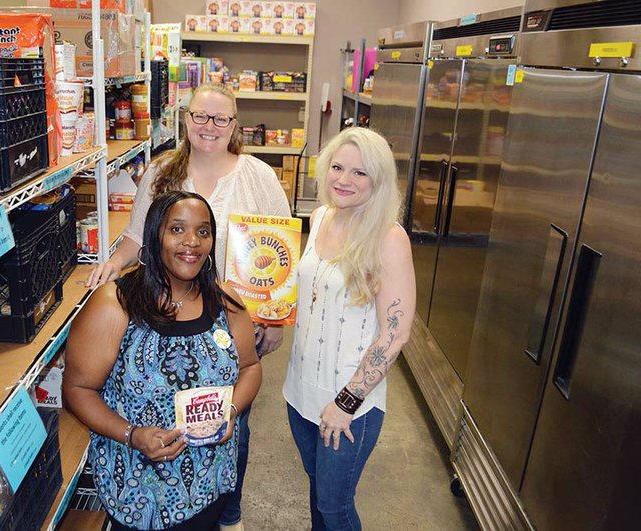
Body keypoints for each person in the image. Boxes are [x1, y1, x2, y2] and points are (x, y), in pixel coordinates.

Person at [86, 82, 291, 530]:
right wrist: (112, 265)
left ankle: (225, 509)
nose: (209, 127)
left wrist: (278, 318)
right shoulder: (162, 171)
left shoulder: (258, 175)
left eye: (221, 119)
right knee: (163, 411)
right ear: (186, 119)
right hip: (166, 318)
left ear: (235, 125)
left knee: (231, 422)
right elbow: (137, 238)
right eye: (201, 116)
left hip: (233, 322)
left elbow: (281, 246)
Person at [63, 191, 262, 530]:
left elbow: (250, 368)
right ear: (154, 237)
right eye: (177, 230)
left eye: (203, 232)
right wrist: (132, 434)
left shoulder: (225, 299)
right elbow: (78, 390)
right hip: (138, 494)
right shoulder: (115, 304)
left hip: (209, 485)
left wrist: (231, 411)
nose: (192, 242)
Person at [283, 127, 416, 531]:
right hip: (300, 388)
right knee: (318, 494)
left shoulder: (389, 239)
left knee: (334, 508)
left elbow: (395, 334)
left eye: (360, 173)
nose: (344, 180)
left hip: (349, 403)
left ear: (379, 182)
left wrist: (346, 403)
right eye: (338, 167)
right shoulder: (319, 216)